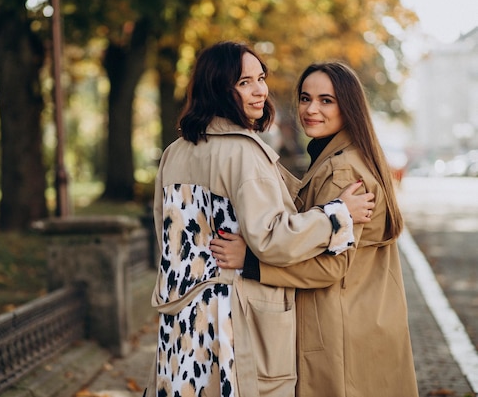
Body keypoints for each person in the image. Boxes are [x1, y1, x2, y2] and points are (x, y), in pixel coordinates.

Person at [147, 43, 375, 397]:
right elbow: (273, 240)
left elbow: (166, 239)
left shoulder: (173, 153)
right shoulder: (243, 152)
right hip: (237, 323)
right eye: (244, 82)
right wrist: (336, 216)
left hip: (183, 321)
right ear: (219, 88)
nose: (260, 90)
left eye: (261, 78)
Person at [211, 61, 419, 396]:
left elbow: (331, 266)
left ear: (347, 106)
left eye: (326, 100)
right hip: (365, 322)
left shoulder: (341, 171)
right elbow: (309, 204)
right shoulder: (348, 155)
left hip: (339, 332)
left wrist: (251, 261)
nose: (311, 109)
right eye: (306, 98)